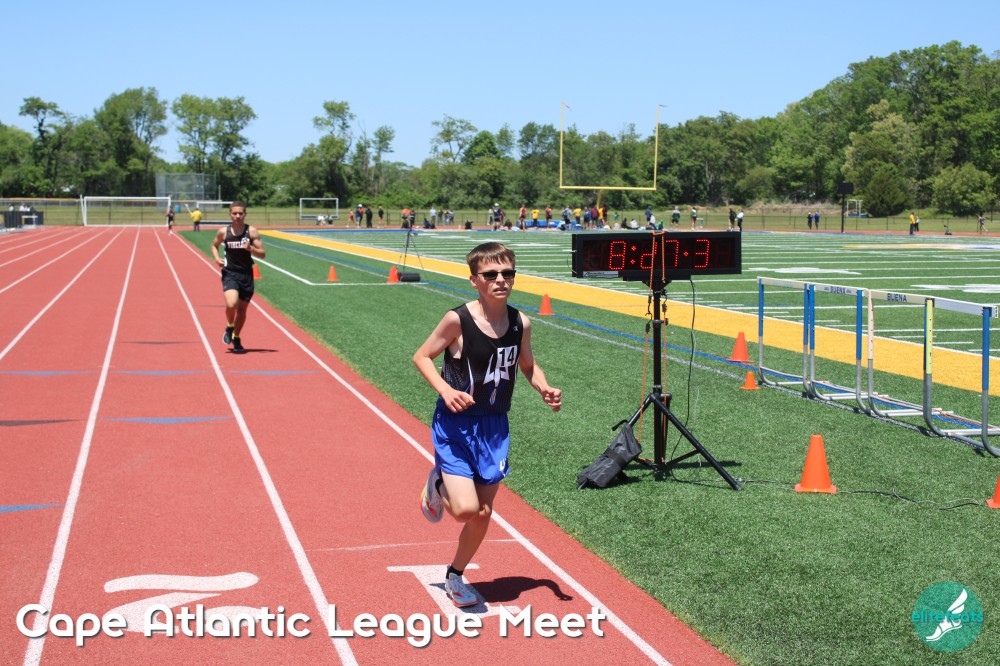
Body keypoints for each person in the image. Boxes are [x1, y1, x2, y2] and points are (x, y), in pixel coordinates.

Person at [414, 241, 561, 607]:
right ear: (474, 280)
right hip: (456, 424)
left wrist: (543, 387)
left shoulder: (520, 323)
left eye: (507, 273)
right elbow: (422, 356)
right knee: (465, 509)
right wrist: (446, 390)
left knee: (482, 514)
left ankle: (455, 575)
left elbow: (528, 365)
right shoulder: (457, 320)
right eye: (491, 274)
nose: (500, 280)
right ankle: (438, 483)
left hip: (495, 426)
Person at [210, 202, 265, 354]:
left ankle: (236, 337)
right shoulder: (224, 232)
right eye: (235, 213)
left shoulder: (251, 231)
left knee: (241, 310)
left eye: (240, 213)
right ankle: (230, 325)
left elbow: (262, 254)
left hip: (246, 274)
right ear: (230, 214)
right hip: (230, 273)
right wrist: (216, 258)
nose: (238, 216)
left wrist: (251, 249)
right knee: (231, 303)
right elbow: (214, 245)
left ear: (245, 214)